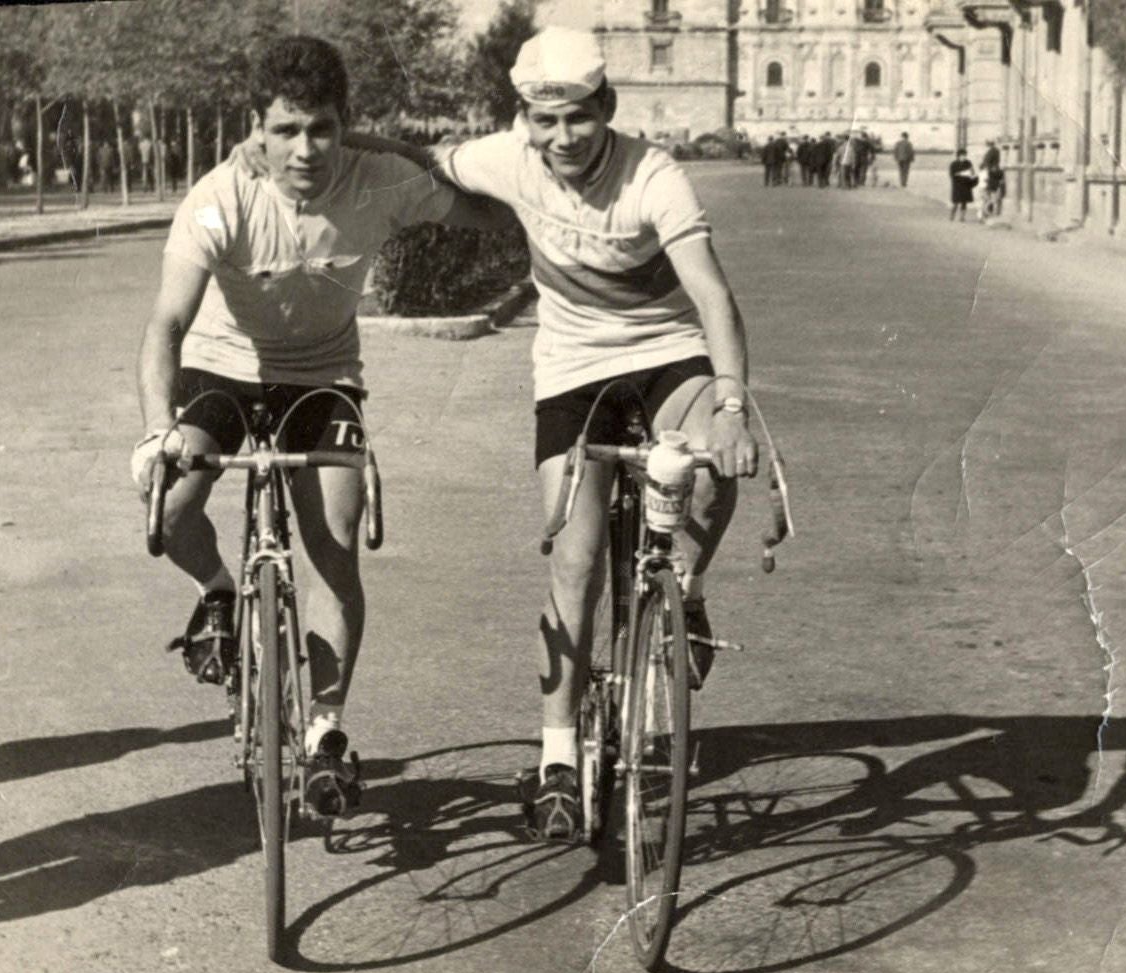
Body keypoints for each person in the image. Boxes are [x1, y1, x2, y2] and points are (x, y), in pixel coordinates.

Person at [369, 27, 758, 841]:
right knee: (575, 560)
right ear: (525, 119)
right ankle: (555, 756)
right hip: (572, 368)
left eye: (578, 119)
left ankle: (681, 588)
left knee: (712, 481)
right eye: (544, 121)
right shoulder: (509, 156)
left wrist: (730, 408)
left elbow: (714, 298)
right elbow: (418, 158)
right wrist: (332, 139)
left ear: (607, 109)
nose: (561, 138)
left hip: (665, 353)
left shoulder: (654, 175)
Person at [130, 35, 506, 814]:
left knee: (336, 535)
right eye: (286, 130)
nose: (306, 149)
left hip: (324, 377)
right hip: (225, 370)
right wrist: (155, 431)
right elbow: (165, 325)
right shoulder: (219, 196)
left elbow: (489, 215)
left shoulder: (380, 182)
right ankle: (221, 590)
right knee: (169, 505)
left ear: (347, 127)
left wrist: (394, 144)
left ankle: (327, 732)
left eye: (324, 129)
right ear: (257, 131)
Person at [948, 148, 978, 221]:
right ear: (958, 156)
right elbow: (951, 175)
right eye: (962, 155)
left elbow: (972, 173)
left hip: (966, 185)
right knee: (955, 201)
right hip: (957, 185)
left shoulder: (968, 163)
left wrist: (972, 180)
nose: (963, 157)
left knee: (964, 202)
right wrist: (960, 174)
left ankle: (962, 217)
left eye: (964, 155)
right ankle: (952, 215)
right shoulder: (953, 164)